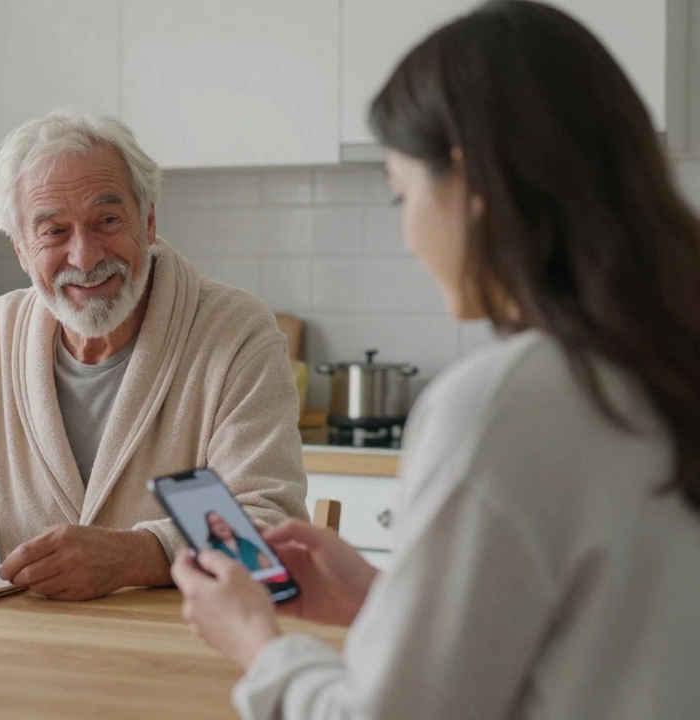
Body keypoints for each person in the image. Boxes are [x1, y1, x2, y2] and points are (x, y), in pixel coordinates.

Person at [171, 1, 700, 718]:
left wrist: (258, 643)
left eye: (402, 195)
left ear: (470, 184)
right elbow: (602, 644)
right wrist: (385, 603)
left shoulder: (504, 405)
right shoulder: (664, 361)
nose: (411, 237)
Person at [0, 110, 309, 601]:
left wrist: (136, 555)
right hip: (34, 657)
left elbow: (268, 526)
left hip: (190, 649)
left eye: (107, 221)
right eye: (54, 232)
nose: (85, 257)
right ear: (21, 249)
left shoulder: (235, 334)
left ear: (147, 222)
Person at [204, 511, 271, 572]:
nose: (220, 525)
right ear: (211, 529)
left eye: (221, 521)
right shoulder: (213, 552)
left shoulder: (247, 544)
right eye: (214, 524)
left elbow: (267, 565)